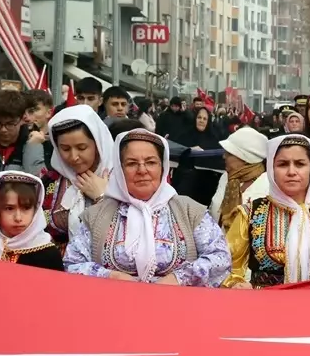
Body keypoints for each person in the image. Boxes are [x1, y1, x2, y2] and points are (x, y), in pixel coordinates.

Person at [64, 129, 230, 285]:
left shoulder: (189, 211)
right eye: (131, 163)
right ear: (120, 170)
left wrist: (179, 278)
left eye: (151, 162)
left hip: (178, 305)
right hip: (115, 304)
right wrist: (110, 276)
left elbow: (220, 257)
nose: (142, 170)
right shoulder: (96, 215)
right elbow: (73, 263)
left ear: (163, 167)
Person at [223, 134, 310, 289]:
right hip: (265, 307)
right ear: (271, 168)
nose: (291, 171)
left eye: (300, 164)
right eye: (283, 164)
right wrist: (236, 283)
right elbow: (227, 264)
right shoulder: (250, 212)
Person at [41, 105, 115, 246]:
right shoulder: (51, 181)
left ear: (98, 144)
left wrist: (101, 196)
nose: (74, 157)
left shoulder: (120, 180)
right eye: (65, 149)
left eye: (82, 148)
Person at [0, 171, 64, 269]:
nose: (18, 218)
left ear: (36, 211)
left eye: (26, 208)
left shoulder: (49, 255)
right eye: (9, 208)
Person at [0, 89, 46, 187]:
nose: (3, 129)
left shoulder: (33, 146)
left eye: (10, 124)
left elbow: (39, 185)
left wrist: (32, 148)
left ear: (23, 119)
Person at [209, 126, 269, 231]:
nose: (224, 156)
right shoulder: (226, 177)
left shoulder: (266, 184)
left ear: (245, 158)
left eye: (229, 153)